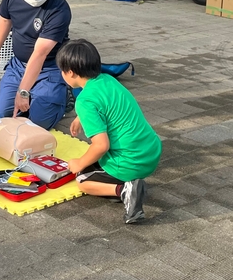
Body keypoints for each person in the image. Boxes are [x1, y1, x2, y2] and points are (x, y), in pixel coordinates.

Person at [57, 40, 162, 224]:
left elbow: (101, 146)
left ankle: (125, 190)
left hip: (131, 161)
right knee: (93, 162)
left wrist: (79, 163)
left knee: (83, 180)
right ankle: (126, 183)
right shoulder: (107, 79)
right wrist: (80, 118)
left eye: (61, 70)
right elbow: (106, 103)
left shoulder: (84, 101)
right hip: (151, 151)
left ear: (70, 72)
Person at [0, 0, 71, 130]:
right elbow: (5, 20)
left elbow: (40, 53)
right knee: (4, 111)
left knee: (40, 123)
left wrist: (23, 92)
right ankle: (32, 96)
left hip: (49, 67)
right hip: (19, 65)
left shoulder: (59, 9)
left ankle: (62, 97)